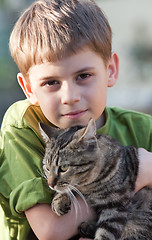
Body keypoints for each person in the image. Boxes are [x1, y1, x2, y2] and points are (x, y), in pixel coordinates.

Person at [0, 0, 152, 239]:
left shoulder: (142, 127)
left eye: (83, 76)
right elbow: (51, 231)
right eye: (51, 82)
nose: (70, 97)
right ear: (28, 89)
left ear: (110, 70)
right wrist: (140, 173)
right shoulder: (24, 125)